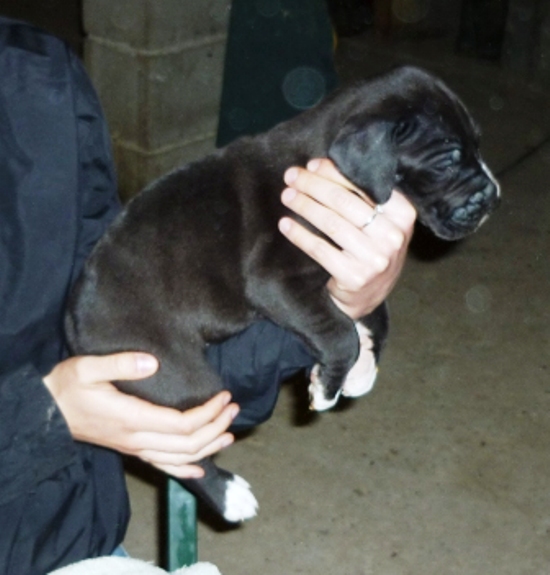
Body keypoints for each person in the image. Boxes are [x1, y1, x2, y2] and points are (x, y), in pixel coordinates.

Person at [0, 16, 416, 575]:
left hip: (73, 540)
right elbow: (62, 405)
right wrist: (38, 423)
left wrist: (336, 300)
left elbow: (131, 328)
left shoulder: (32, 76)